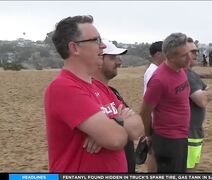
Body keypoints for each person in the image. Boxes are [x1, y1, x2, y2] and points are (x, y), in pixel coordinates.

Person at [44, 15, 143, 172]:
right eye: (96, 40)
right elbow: (115, 139)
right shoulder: (63, 87)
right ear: (74, 48)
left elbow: (138, 127)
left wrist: (113, 125)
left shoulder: (100, 87)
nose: (102, 46)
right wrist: (118, 126)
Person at [140, 32, 191, 172]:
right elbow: (144, 112)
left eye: (189, 53)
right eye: (184, 55)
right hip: (167, 140)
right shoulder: (158, 80)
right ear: (170, 57)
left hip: (182, 135)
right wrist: (149, 134)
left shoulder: (181, 69)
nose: (189, 57)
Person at [92, 40, 143, 173]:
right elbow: (112, 138)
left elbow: (137, 128)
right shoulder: (87, 92)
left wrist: (113, 125)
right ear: (98, 59)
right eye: (112, 57)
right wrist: (122, 121)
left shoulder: (112, 92)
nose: (119, 62)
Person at [186, 38, 212, 169]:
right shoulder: (186, 74)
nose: (196, 54)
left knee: (193, 167)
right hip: (188, 133)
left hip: (195, 131)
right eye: (192, 51)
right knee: (188, 169)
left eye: (197, 51)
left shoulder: (193, 74)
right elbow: (202, 101)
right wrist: (205, 93)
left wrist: (205, 93)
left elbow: (211, 93)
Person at [142, 41, 165, 172]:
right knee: (154, 152)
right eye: (165, 52)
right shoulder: (153, 72)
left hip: (156, 117)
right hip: (155, 118)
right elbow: (149, 100)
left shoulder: (155, 70)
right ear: (158, 54)